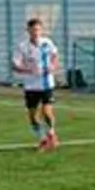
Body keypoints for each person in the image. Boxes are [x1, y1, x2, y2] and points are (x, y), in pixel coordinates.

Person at [12, 18, 61, 151]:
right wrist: (28, 70)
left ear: (41, 30)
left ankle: (51, 133)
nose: (36, 32)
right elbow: (15, 65)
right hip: (31, 85)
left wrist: (53, 66)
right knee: (32, 115)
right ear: (28, 30)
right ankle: (42, 138)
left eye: (38, 29)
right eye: (33, 30)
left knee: (47, 111)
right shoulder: (22, 46)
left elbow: (55, 56)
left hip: (46, 84)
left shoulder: (47, 43)